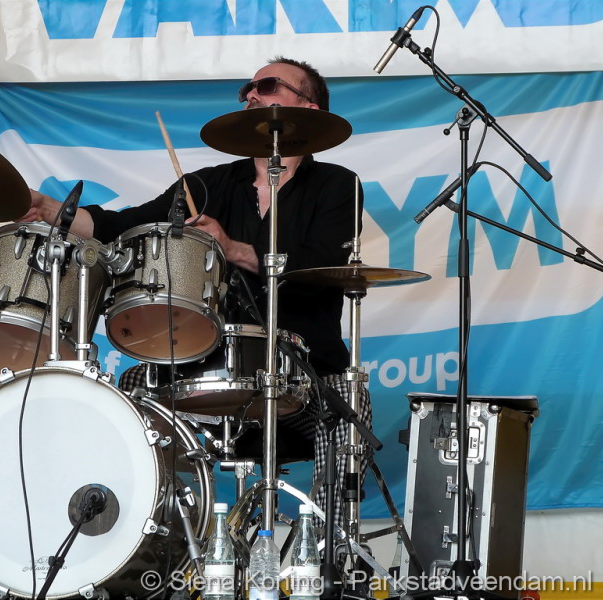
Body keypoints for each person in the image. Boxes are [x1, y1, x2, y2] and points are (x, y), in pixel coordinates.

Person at [20, 56, 372, 530]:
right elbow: (122, 225)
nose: (252, 94)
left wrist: (233, 248)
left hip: (301, 376)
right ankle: (146, 540)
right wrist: (51, 210)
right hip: (205, 367)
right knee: (130, 391)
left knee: (350, 407)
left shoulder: (338, 185)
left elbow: (319, 264)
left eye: (268, 85)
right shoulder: (207, 184)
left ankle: (331, 547)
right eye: (248, 88)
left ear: (308, 107)